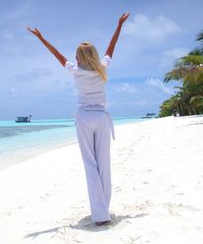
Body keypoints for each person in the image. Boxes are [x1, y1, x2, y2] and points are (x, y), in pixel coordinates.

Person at [27, 12, 130, 226]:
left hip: (83, 118)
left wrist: (41, 38)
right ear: (93, 55)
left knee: (90, 165)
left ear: (79, 58)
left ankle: (100, 214)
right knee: (104, 165)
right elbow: (112, 47)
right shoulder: (102, 68)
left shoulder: (74, 71)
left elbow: (56, 54)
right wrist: (119, 25)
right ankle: (104, 211)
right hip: (101, 117)